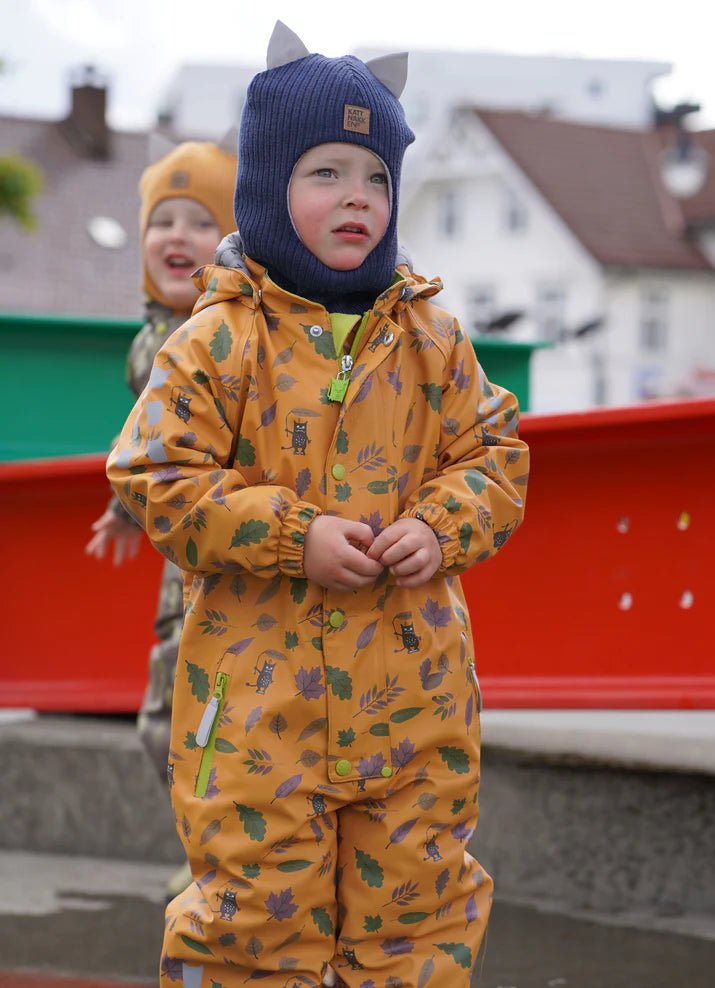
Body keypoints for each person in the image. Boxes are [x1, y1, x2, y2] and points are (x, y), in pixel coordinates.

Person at [107, 20, 529, 988]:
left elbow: (493, 451)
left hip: (414, 712)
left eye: (376, 176)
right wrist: (292, 534)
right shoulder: (217, 340)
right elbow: (153, 473)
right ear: (264, 184)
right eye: (325, 172)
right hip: (260, 718)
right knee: (252, 924)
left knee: (420, 922)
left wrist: (439, 522)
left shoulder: (431, 334)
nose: (357, 198)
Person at [88, 137, 237, 898]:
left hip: (238, 557)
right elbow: (142, 440)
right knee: (164, 721)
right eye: (161, 222)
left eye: (200, 222)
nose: (176, 237)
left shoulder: (235, 331)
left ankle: (225, 857)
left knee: (225, 717)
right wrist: (122, 508)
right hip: (183, 573)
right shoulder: (148, 343)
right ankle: (206, 845)